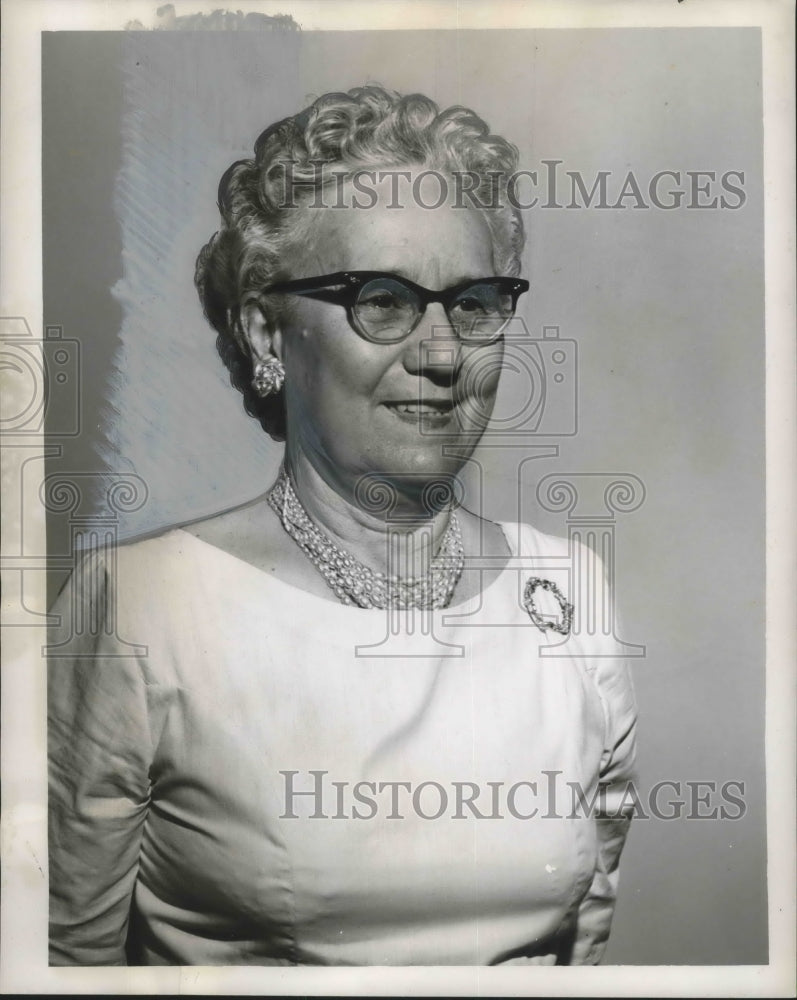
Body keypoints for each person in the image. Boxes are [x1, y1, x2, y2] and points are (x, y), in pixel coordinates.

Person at [48, 85, 637, 966]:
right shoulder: (138, 608)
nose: (441, 354)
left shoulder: (571, 592)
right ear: (267, 335)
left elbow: (582, 950)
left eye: (472, 303)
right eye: (382, 300)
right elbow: (60, 961)